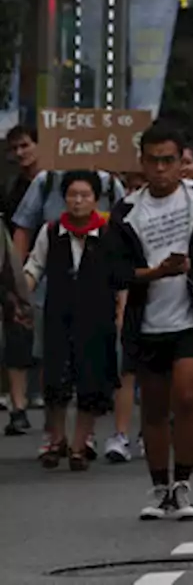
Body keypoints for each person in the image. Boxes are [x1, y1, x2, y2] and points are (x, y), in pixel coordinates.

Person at [105, 121, 193, 522]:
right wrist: (156, 272)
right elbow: (115, 272)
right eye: (153, 161)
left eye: (170, 160)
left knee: (186, 395)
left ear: (183, 162)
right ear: (142, 163)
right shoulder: (127, 211)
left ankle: (182, 484)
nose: (161, 169)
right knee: (155, 408)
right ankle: (159, 487)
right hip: (147, 321)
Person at [23, 170, 118, 471]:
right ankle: (57, 438)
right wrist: (20, 297)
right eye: (72, 195)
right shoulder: (50, 232)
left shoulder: (107, 233)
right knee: (55, 376)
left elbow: (121, 278)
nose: (78, 201)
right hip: (58, 312)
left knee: (91, 376)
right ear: (64, 199)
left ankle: (80, 444)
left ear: (95, 199)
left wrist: (121, 311)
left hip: (96, 314)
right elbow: (34, 267)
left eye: (85, 195)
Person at [2, 125, 41, 433]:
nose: (20, 153)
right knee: (17, 331)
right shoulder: (12, 189)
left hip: (63, 269)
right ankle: (19, 405)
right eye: (14, 149)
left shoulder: (58, 184)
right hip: (22, 270)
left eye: (25, 146)